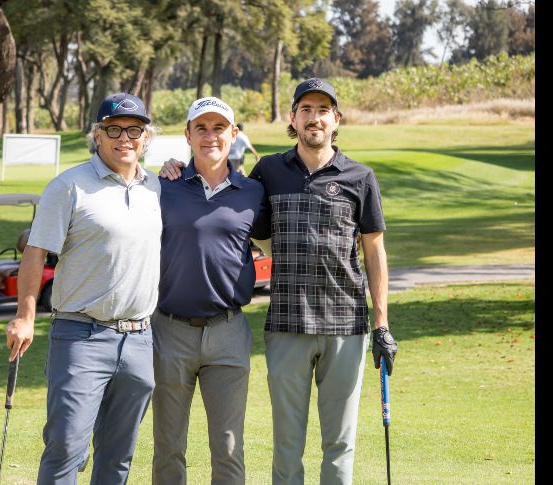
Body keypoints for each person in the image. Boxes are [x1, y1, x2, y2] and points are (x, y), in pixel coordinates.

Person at [160, 78, 398, 484]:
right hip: (288, 326)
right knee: (287, 444)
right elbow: (227, 207)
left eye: (323, 110)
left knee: (340, 444)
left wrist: (382, 324)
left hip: (347, 326)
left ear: (336, 119)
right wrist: (174, 170)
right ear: (293, 117)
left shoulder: (360, 177)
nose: (314, 118)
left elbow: (374, 252)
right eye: (306, 109)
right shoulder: (268, 172)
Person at [4, 92, 162, 485]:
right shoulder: (69, 186)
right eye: (113, 129)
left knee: (118, 456)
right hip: (81, 335)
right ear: (97, 134)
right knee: (65, 448)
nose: (124, 138)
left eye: (134, 130)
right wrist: (24, 317)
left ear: (146, 137)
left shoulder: (157, 187)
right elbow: (35, 253)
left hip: (140, 339)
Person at [151, 97, 269, 485]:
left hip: (229, 332)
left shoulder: (253, 192)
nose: (210, 136)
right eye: (200, 128)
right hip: (169, 331)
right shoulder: (162, 186)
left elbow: (276, 244)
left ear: (234, 135)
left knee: (229, 446)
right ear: (187, 135)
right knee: (168, 445)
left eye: (219, 128)